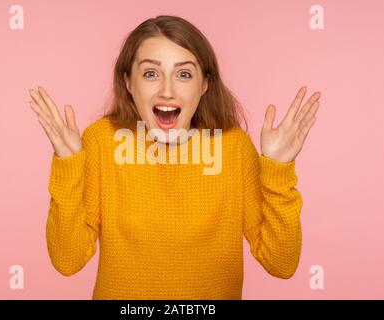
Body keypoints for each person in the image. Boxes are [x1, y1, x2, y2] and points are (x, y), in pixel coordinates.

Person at [27, 15, 321, 300]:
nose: (167, 90)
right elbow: (68, 260)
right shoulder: (101, 141)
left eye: (183, 74)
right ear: (129, 82)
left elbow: (281, 264)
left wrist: (279, 171)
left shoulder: (233, 147)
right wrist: (68, 163)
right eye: (151, 73)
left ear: (204, 84)